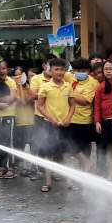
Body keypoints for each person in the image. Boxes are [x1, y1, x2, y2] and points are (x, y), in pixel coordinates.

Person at [35, 58, 74, 193]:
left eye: (62, 69)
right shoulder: (45, 87)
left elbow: (73, 105)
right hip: (49, 125)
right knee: (49, 154)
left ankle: (69, 181)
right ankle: (47, 182)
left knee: (66, 154)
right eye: (56, 69)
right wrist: (51, 119)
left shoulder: (68, 86)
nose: (59, 72)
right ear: (50, 70)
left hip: (65, 125)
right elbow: (39, 106)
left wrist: (68, 118)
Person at [92, 60, 112, 178]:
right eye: (106, 69)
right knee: (109, 148)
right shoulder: (100, 88)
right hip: (106, 121)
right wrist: (97, 122)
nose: (109, 71)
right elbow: (97, 106)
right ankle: (111, 171)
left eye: (111, 69)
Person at [0, 61, 19, 178]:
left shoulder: (11, 82)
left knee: (8, 141)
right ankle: (2, 166)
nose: (1, 71)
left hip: (9, 114)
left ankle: (11, 167)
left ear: (7, 69)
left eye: (3, 68)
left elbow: (11, 98)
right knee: (0, 142)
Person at [67, 59, 99, 174]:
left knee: (84, 148)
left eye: (83, 70)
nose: (80, 73)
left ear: (88, 71)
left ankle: (85, 172)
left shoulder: (93, 83)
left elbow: (85, 101)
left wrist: (68, 93)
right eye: (78, 70)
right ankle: (87, 163)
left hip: (84, 120)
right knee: (68, 144)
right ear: (73, 71)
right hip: (69, 119)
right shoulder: (70, 78)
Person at [14, 68, 39, 177]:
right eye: (16, 75)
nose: (19, 77)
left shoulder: (31, 88)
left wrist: (23, 87)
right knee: (19, 145)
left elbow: (27, 101)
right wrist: (19, 86)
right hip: (18, 121)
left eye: (21, 75)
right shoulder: (14, 89)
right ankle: (21, 167)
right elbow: (23, 101)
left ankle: (34, 166)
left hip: (31, 121)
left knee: (33, 145)